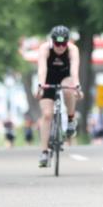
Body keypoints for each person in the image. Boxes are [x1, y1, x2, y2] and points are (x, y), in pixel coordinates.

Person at [35, 25, 82, 167]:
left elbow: (74, 70)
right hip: (48, 79)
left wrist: (77, 86)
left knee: (69, 88)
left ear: (67, 42)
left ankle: (71, 118)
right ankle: (44, 152)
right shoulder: (45, 49)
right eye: (57, 44)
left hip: (65, 77)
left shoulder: (72, 49)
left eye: (63, 44)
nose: (61, 47)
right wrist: (40, 86)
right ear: (52, 41)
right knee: (47, 115)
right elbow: (42, 69)